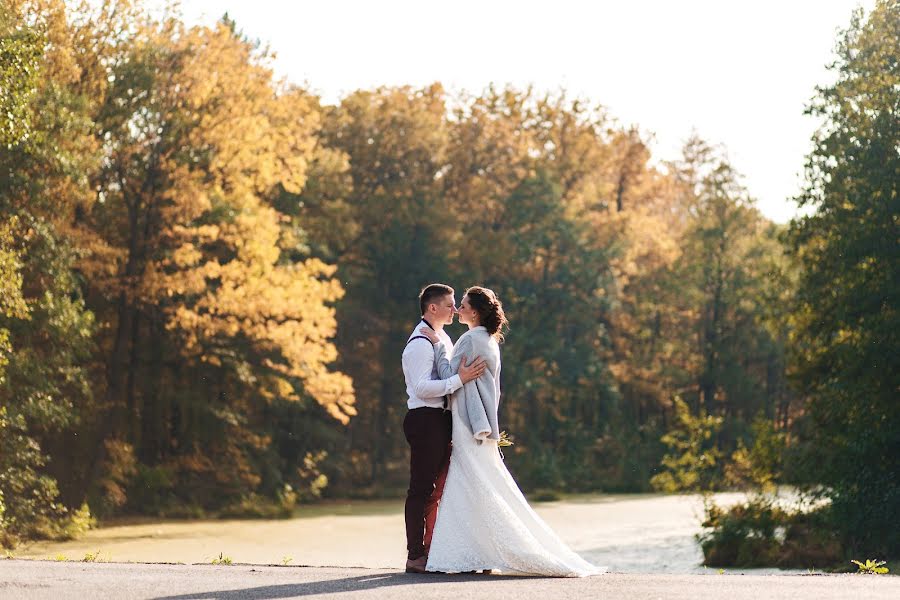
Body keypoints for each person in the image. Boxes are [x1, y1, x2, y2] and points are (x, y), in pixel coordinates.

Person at [418, 286, 605, 577]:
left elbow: (448, 376)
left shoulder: (469, 340)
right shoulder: (487, 339)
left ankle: (472, 553)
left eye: (463, 305)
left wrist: (439, 346)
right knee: (476, 487)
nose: (457, 310)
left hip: (467, 424)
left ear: (475, 312)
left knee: (472, 487)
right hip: (477, 424)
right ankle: (475, 553)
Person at [402, 283, 486, 574]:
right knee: (421, 490)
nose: (455, 309)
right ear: (432, 308)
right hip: (425, 419)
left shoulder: (442, 339)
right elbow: (422, 388)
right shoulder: (419, 344)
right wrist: (459, 380)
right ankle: (416, 556)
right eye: (450, 304)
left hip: (443, 420)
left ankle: (436, 550)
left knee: (440, 491)